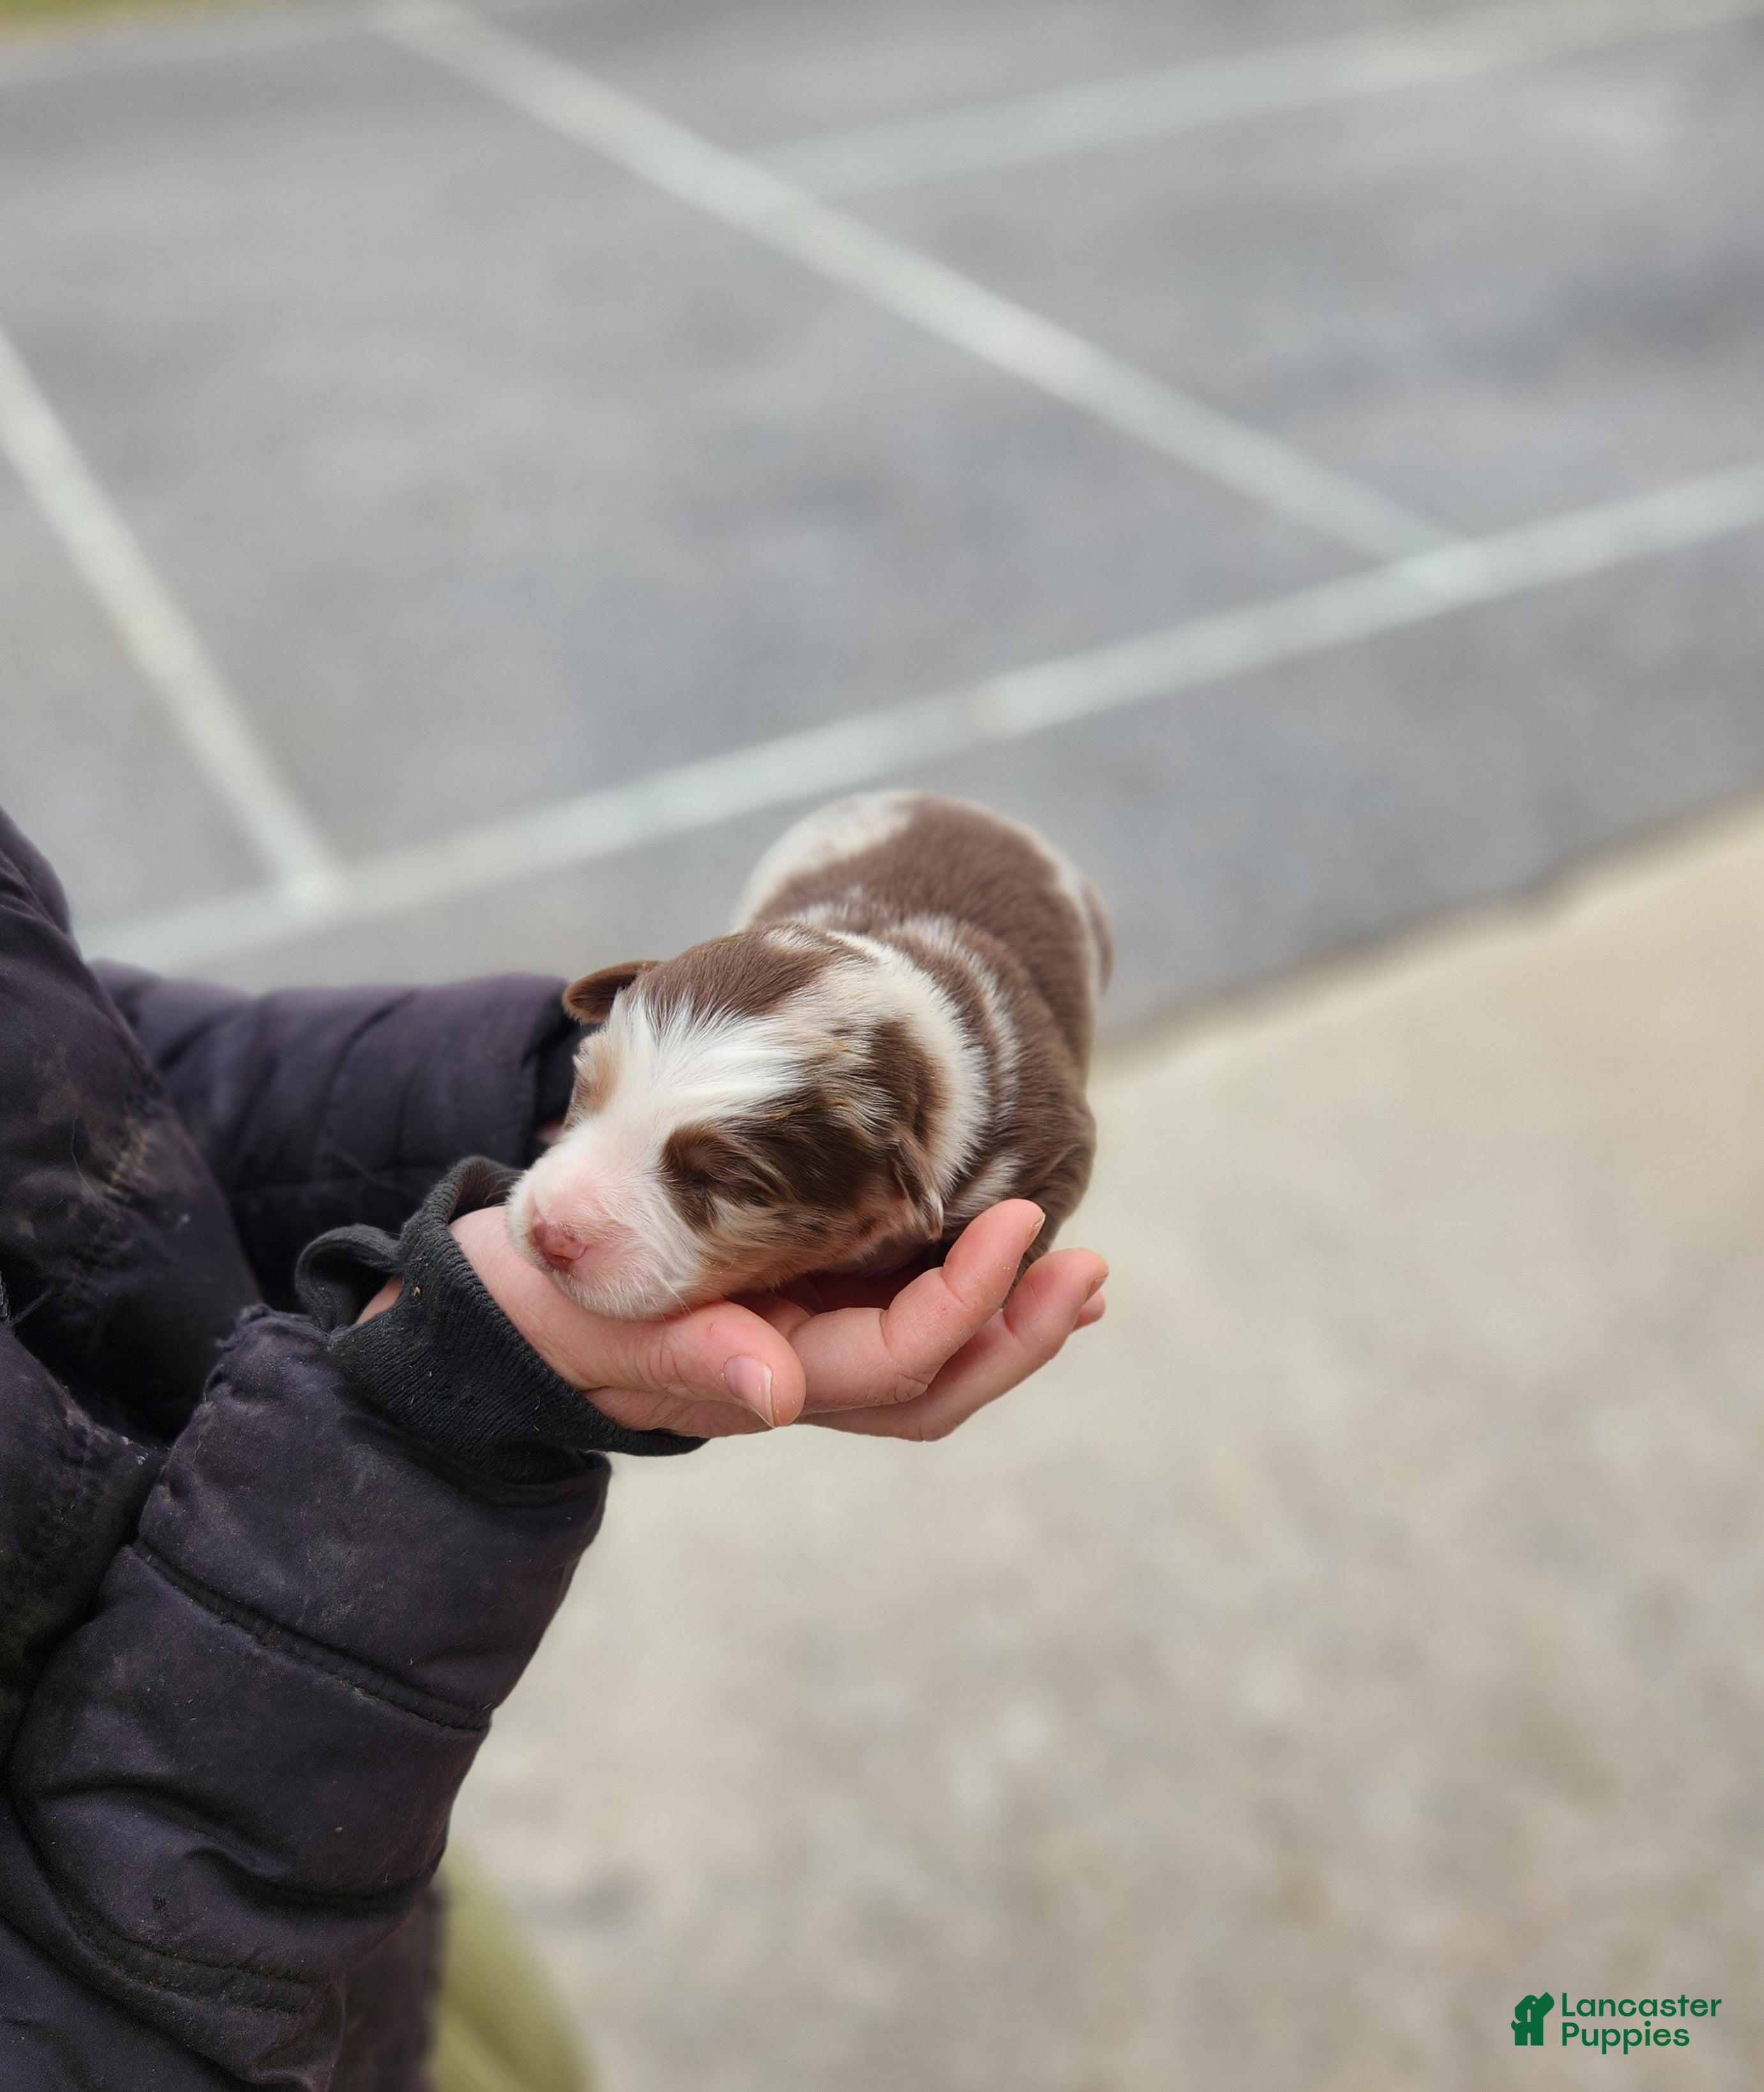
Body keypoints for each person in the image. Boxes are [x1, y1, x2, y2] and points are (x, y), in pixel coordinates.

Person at [0, 807, 1106, 2091]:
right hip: (207, 1903)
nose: (556, 1213)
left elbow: (85, 1084)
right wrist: (433, 1401)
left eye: (697, 1174)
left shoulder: (954, 1147)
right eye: (580, 1125)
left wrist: (541, 1090)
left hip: (330, 1822)